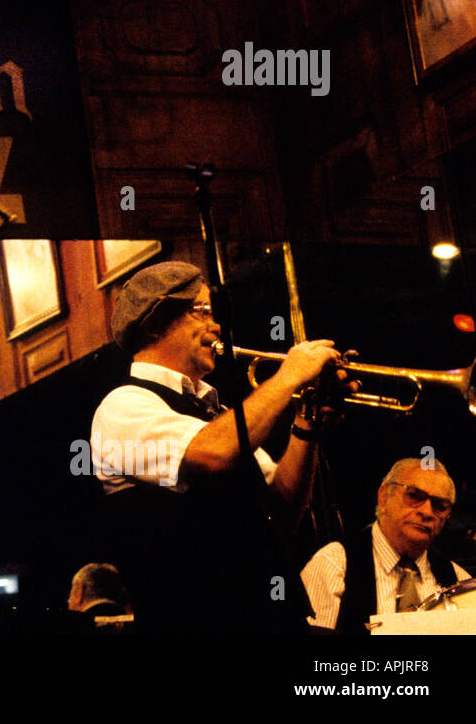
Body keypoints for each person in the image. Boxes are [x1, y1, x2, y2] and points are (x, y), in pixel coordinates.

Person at [89, 261, 349, 632]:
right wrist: (289, 375)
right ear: (156, 321)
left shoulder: (218, 413)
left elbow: (282, 511)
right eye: (202, 311)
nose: (216, 326)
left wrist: (307, 424)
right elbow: (214, 454)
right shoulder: (124, 406)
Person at [301, 457, 470, 632]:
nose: (427, 512)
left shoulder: (458, 580)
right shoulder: (334, 565)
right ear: (383, 497)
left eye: (439, 506)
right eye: (414, 496)